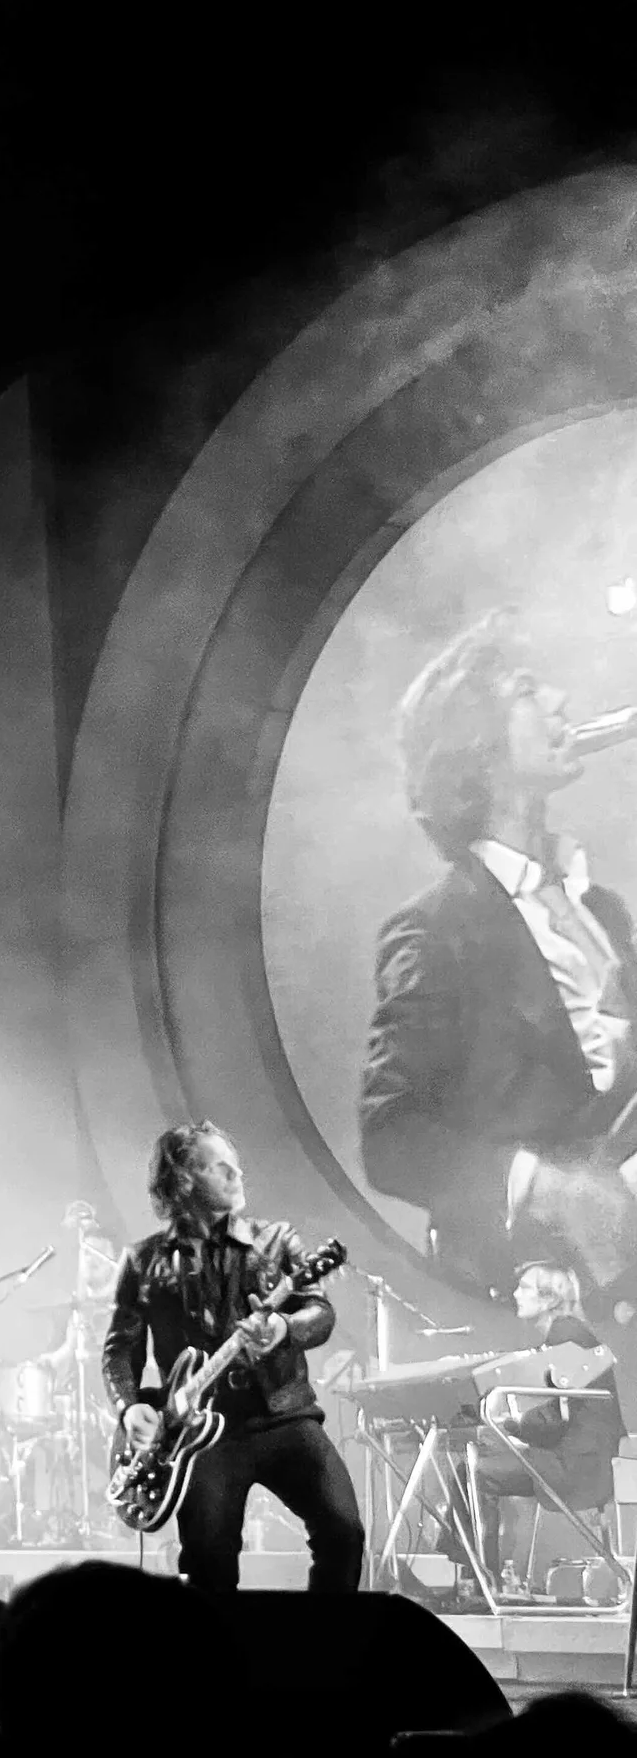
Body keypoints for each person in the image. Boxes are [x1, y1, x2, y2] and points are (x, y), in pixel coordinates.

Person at [363, 614, 637, 1298]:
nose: (560, 702)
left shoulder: (601, 907)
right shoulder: (435, 929)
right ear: (479, 747)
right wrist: (547, 1188)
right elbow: (391, 1137)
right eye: (527, 690)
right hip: (548, 1294)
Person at [102, 1120, 365, 1593]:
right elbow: (120, 1351)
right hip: (201, 1437)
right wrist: (130, 1408)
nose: (236, 1174)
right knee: (209, 1564)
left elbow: (320, 1314)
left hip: (283, 1416)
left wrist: (283, 1328)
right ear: (184, 1180)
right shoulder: (143, 1261)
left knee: (343, 1533)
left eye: (235, 1164)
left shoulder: (276, 1240)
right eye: (219, 1166)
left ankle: (325, 1635)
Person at [474, 1260, 626, 1584]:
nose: (515, 1294)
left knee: (476, 1471)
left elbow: (557, 1416)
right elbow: (559, 1410)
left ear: (549, 1298)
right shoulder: (568, 1332)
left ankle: (481, 1578)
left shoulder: (566, 1332)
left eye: (524, 1288)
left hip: (580, 1465)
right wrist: (511, 1428)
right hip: (582, 1458)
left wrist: (508, 1426)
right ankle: (487, 1574)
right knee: (484, 1462)